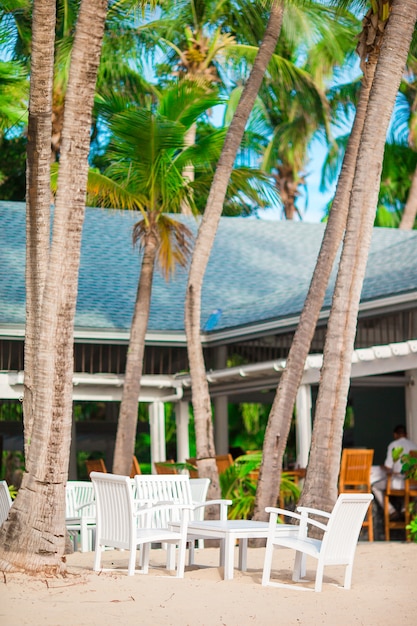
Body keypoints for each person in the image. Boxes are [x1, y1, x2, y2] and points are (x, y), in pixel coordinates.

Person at [372, 424, 417, 519]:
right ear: (406, 434)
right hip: (414, 484)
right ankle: (405, 508)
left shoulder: (394, 445)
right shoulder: (414, 446)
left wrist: (383, 467)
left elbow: (388, 467)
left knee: (375, 486)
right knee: (407, 488)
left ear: (395, 435)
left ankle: (391, 510)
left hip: (398, 483)